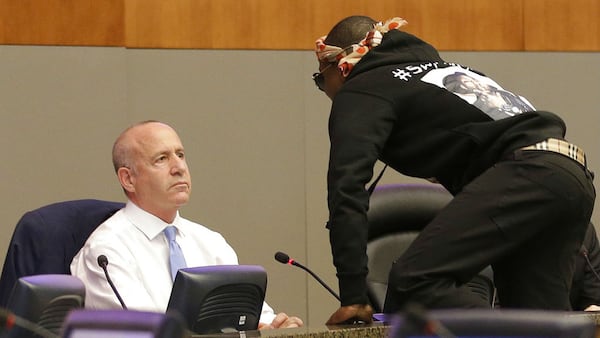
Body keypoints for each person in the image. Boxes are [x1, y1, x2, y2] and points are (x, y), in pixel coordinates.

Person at [312, 15, 595, 324]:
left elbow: (346, 189)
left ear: (338, 66)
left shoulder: (361, 88)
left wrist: (353, 298)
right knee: (534, 320)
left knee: (414, 285)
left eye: (320, 79)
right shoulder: (452, 71)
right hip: (570, 172)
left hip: (527, 173)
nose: (324, 90)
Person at [70, 120, 303, 329]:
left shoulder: (210, 242)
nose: (179, 167)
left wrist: (274, 328)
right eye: (161, 159)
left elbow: (254, 317)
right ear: (128, 179)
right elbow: (149, 332)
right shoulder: (106, 252)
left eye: (180, 155)